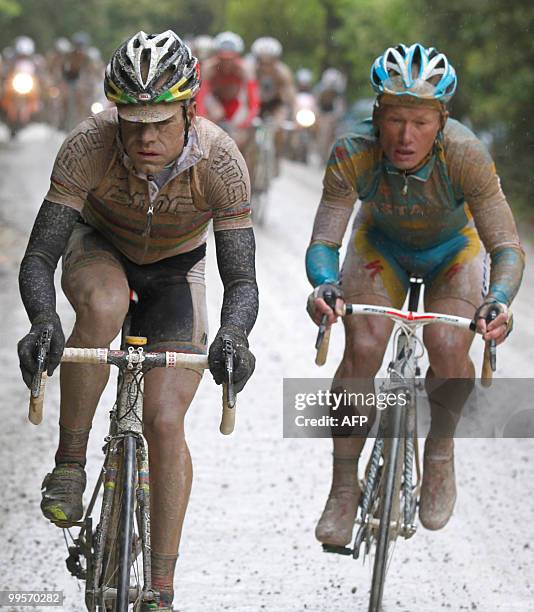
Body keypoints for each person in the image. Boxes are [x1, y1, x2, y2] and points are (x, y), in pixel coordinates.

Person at [17, 30, 258, 611]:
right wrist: (45, 319)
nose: (146, 136)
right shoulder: (87, 146)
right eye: (133, 119)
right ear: (116, 114)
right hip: (99, 249)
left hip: (178, 271)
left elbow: (242, 280)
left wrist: (234, 336)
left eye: (161, 120)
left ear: (188, 111)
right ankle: (70, 464)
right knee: (102, 304)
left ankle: (161, 590)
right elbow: (40, 256)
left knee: (165, 421)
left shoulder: (221, 160)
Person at [306, 43, 524, 546]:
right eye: (397, 120)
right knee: (362, 347)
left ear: (442, 119)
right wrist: (326, 284)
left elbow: (506, 245)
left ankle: (440, 453)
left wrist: (500, 299)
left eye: (422, 122)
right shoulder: (352, 150)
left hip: (453, 252)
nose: (407, 136)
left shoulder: (466, 152)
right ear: (377, 115)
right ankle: (343, 486)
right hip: (379, 247)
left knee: (449, 349)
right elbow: (325, 240)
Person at [195, 31, 259, 158]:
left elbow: (252, 99)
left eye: (230, 59)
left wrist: (246, 122)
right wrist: (201, 118)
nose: (226, 64)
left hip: (236, 104)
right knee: (213, 116)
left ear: (237, 56)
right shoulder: (209, 68)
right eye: (222, 59)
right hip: (216, 103)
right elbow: (201, 95)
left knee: (240, 134)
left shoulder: (245, 69)